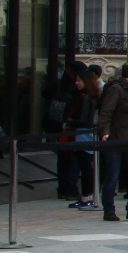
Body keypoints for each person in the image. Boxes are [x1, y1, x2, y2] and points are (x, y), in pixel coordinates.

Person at [96, 61, 128, 221]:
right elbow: (106, 112)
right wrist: (105, 132)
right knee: (112, 176)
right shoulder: (116, 90)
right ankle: (109, 209)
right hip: (117, 139)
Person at [65, 70, 102, 210]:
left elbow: (83, 120)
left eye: (79, 80)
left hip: (83, 134)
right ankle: (88, 196)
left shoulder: (85, 97)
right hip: (89, 134)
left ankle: (86, 197)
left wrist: (68, 123)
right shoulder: (93, 96)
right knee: (87, 166)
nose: (76, 83)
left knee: (85, 166)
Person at [50, 61, 85, 201]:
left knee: (63, 159)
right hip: (70, 127)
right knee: (72, 159)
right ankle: (70, 189)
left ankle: (63, 188)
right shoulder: (76, 89)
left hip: (59, 125)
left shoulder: (59, 84)